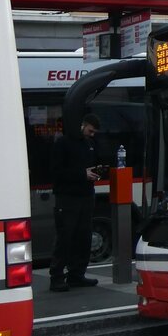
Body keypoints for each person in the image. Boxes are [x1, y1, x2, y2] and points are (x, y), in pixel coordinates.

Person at [50, 112, 102, 291]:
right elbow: (56, 172)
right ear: (82, 125)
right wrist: (82, 174)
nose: (92, 134)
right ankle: (57, 276)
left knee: (83, 237)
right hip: (68, 197)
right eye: (91, 130)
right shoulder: (63, 143)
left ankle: (76, 274)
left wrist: (94, 173)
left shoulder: (89, 144)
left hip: (85, 195)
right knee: (65, 237)